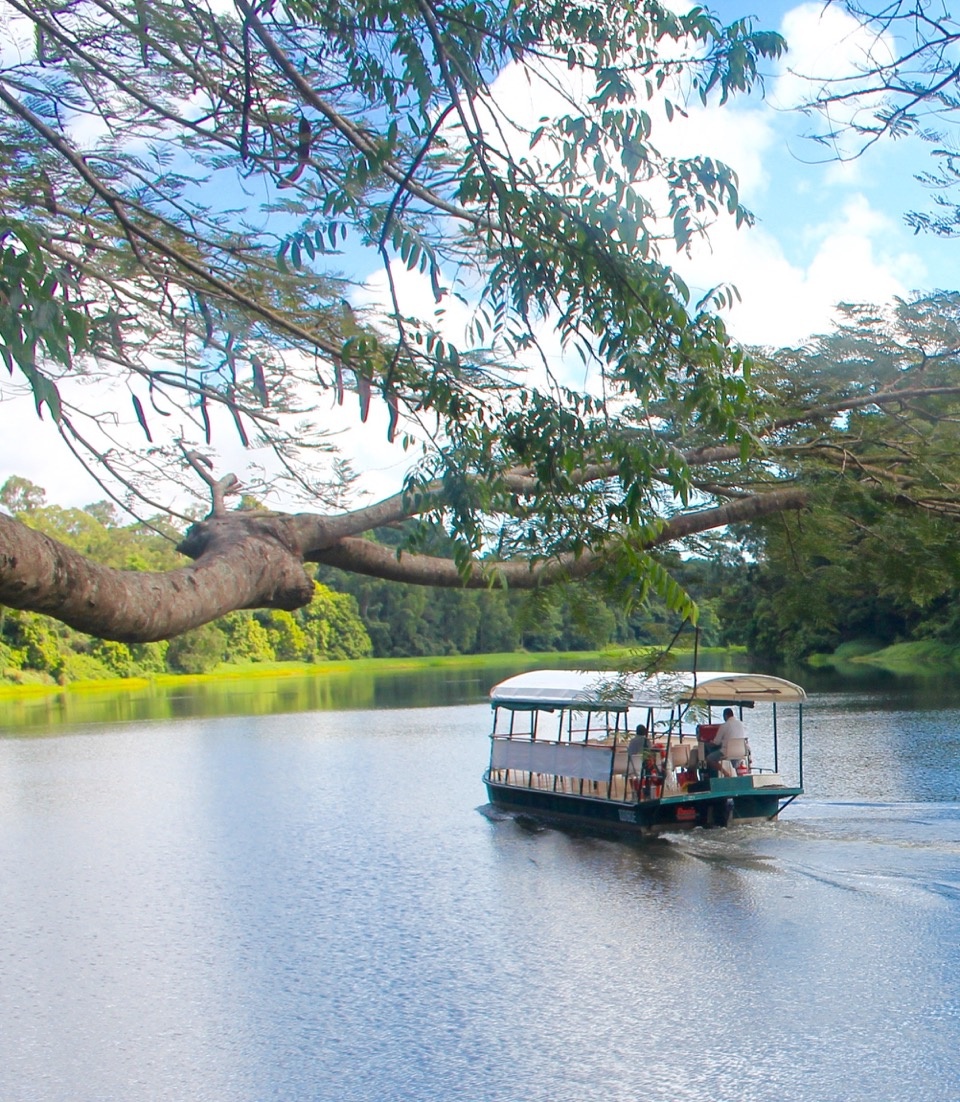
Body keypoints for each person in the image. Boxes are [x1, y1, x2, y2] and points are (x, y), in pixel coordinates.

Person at [706, 708, 746, 775]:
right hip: (740, 751)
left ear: (725, 715)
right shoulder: (741, 724)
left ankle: (726, 774)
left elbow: (716, 742)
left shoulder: (724, 726)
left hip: (727, 752)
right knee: (735, 758)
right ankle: (740, 776)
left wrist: (709, 743)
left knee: (709, 758)